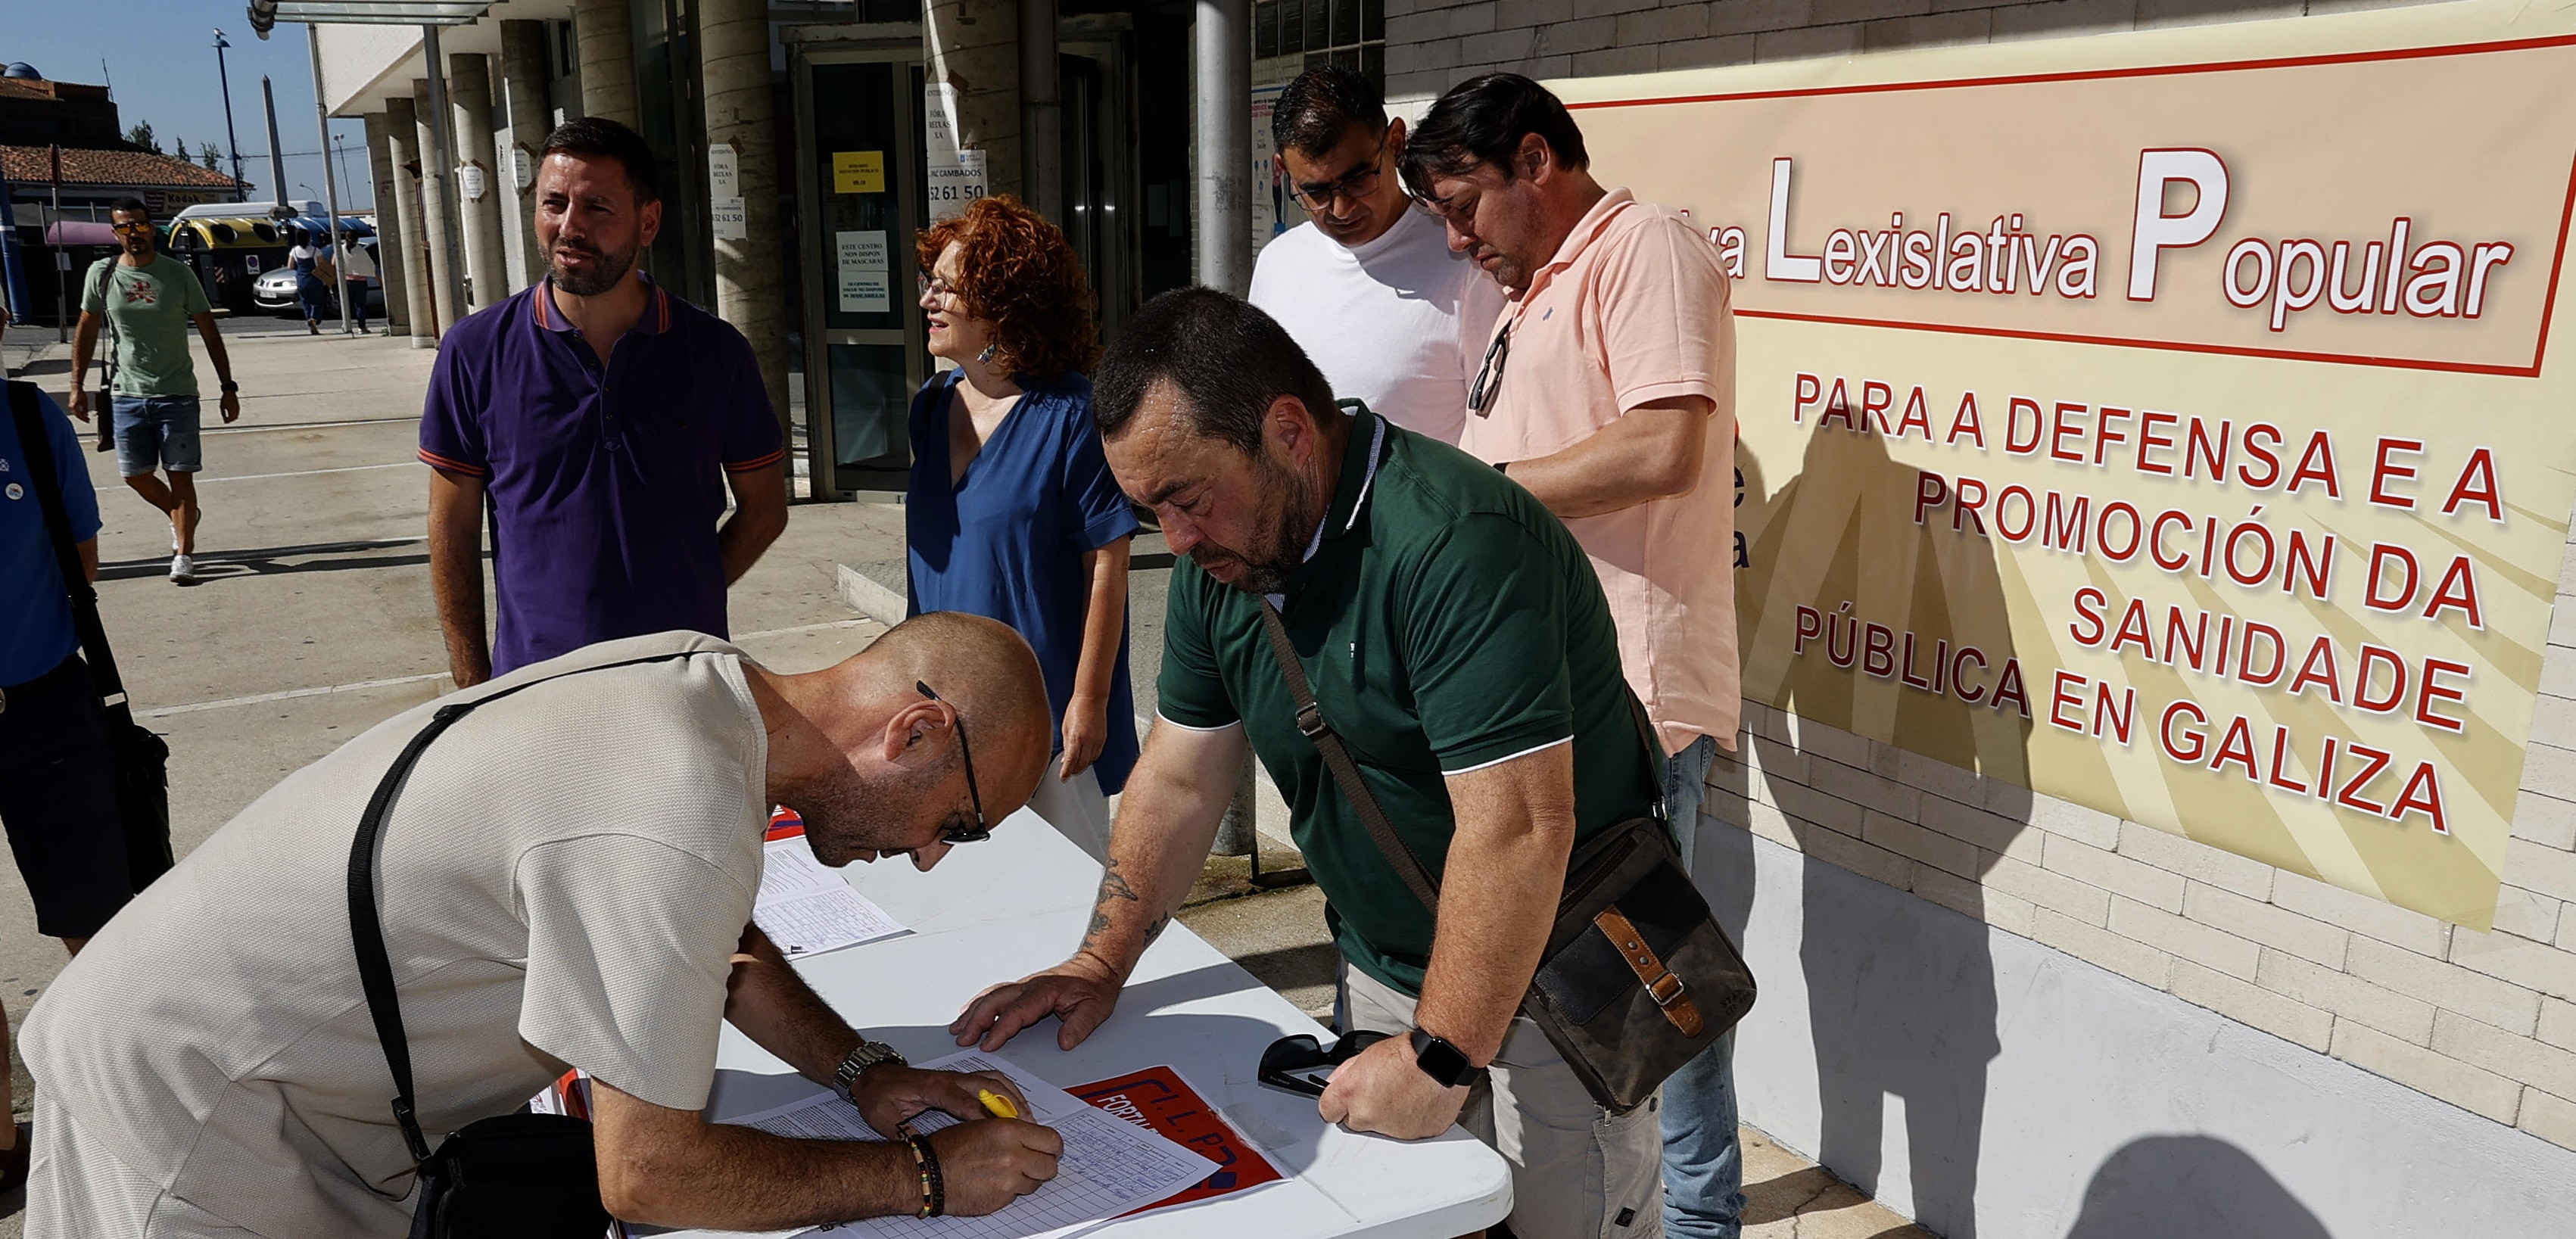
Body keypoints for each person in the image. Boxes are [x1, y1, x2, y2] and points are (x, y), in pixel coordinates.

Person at [952, 288, 1671, 1239]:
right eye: (1148, 508)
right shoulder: (1231, 560)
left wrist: (1440, 1059)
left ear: (1289, 431)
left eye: (1189, 498)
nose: (1176, 539)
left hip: (1555, 985)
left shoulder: (1457, 542)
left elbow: (1519, 828)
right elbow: (1179, 773)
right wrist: (1102, 957)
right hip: (1384, 968)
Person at [21, 615, 1070, 1237]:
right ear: (915, 731)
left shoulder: (703, 684)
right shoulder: (680, 809)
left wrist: (864, 1075)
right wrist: (925, 1178)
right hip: (182, 1108)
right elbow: (649, 1172)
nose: (933, 853)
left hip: (208, 1059)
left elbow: (718, 950)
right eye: (960, 823)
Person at [1402, 72, 1746, 1239]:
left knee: (1644, 1000)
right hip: (1545, 699)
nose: (1455, 240)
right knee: (1591, 995)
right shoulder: (1526, 288)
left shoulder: (1640, 245)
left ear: (1537, 160)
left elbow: (1662, 447)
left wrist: (1475, 501)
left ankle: (1695, 1222)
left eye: (1464, 206)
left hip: (1629, 702)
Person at [421, 117, 788, 688]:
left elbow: (765, 509)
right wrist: (474, 688)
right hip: (534, 688)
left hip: (682, 684)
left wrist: (686, 593)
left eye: (597, 207)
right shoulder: (474, 351)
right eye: (554, 203)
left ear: (648, 221)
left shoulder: (717, 353)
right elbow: (453, 528)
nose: (570, 226)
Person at [905, 196, 1137, 862]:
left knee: (1070, 895)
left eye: (948, 286)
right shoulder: (931, 406)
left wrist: (1088, 701)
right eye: (932, 282)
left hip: (1049, 704)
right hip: (947, 698)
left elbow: (1108, 565)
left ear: (1003, 303)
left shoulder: (1073, 414)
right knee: (971, 891)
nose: (930, 299)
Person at [0, 377, 136, 1197]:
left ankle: (125, 1110)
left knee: (100, 929)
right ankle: (5, 1145)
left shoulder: (26, 415)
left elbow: (80, 555)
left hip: (45, 705)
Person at [1247, 66, 1503, 447]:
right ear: (1283, 171)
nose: (1341, 209)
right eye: (1315, 192)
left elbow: (1499, 429)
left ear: (1395, 143)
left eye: (1358, 179)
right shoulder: (1276, 263)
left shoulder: (1467, 259)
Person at [67, 196, 242, 585]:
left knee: (181, 475)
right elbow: (87, 329)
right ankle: (184, 515)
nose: (134, 234)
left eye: (141, 225)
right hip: (125, 393)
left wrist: (227, 387)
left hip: (177, 393)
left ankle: (183, 553)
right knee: (135, 474)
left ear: (153, 228)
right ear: (115, 233)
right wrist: (76, 385)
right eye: (125, 227)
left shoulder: (178, 274)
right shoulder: (102, 273)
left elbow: (210, 333)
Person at [286, 232, 334, 335]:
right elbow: (322, 266)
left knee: (305, 302)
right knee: (317, 302)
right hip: (314, 279)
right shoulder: (315, 251)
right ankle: (314, 319)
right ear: (309, 238)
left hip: (301, 279)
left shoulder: (294, 250)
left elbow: (290, 266)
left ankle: (310, 319)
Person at [336, 232, 378, 333]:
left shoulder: (341, 249)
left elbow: (334, 262)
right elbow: (371, 266)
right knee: (360, 306)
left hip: (347, 280)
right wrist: (379, 280)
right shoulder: (361, 250)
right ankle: (362, 327)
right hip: (360, 281)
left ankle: (346, 325)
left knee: (348, 304)